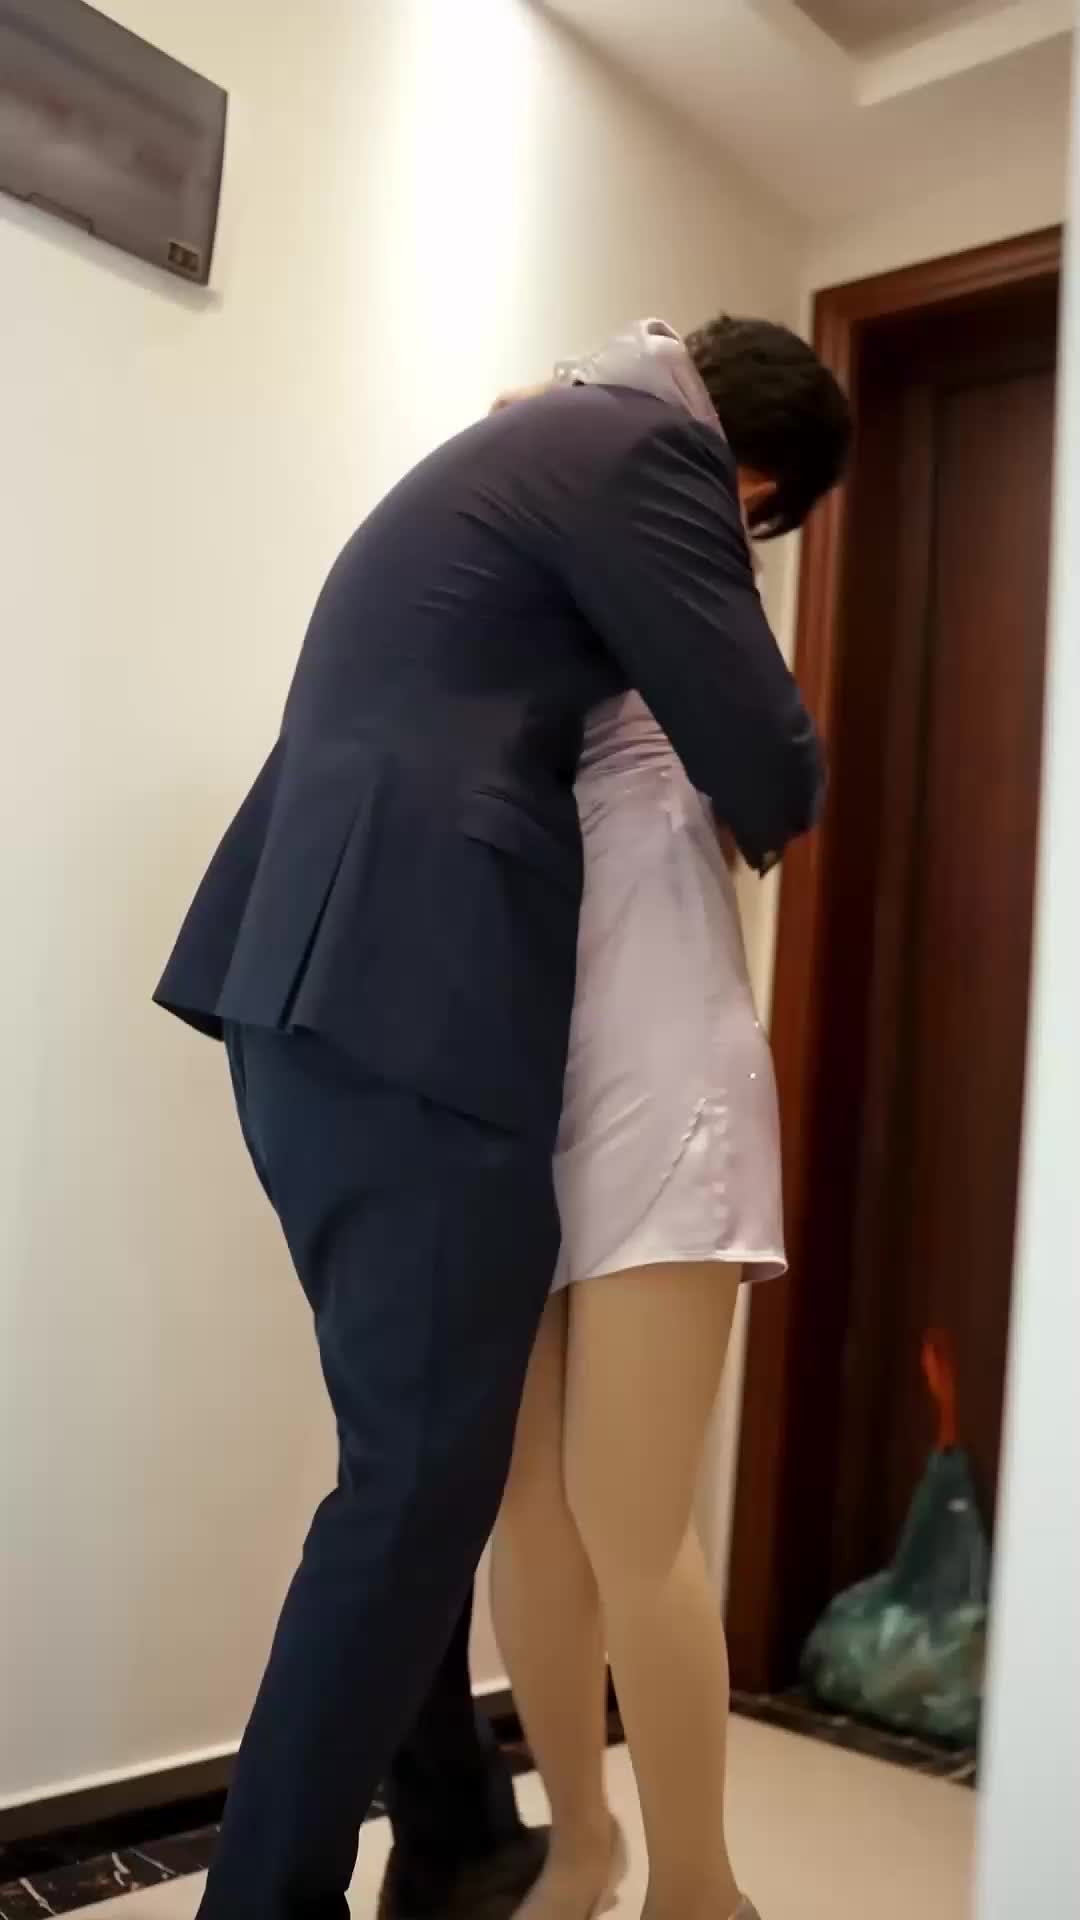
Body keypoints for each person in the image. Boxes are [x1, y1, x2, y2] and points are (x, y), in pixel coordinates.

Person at [154, 313, 849, 1920]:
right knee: (433, 1483)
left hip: (373, 999)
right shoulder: (639, 452)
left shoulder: (541, 458)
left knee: (452, 1474)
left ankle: (496, 1834)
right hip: (433, 1009)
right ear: (754, 488)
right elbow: (778, 765)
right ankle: (363, 1877)